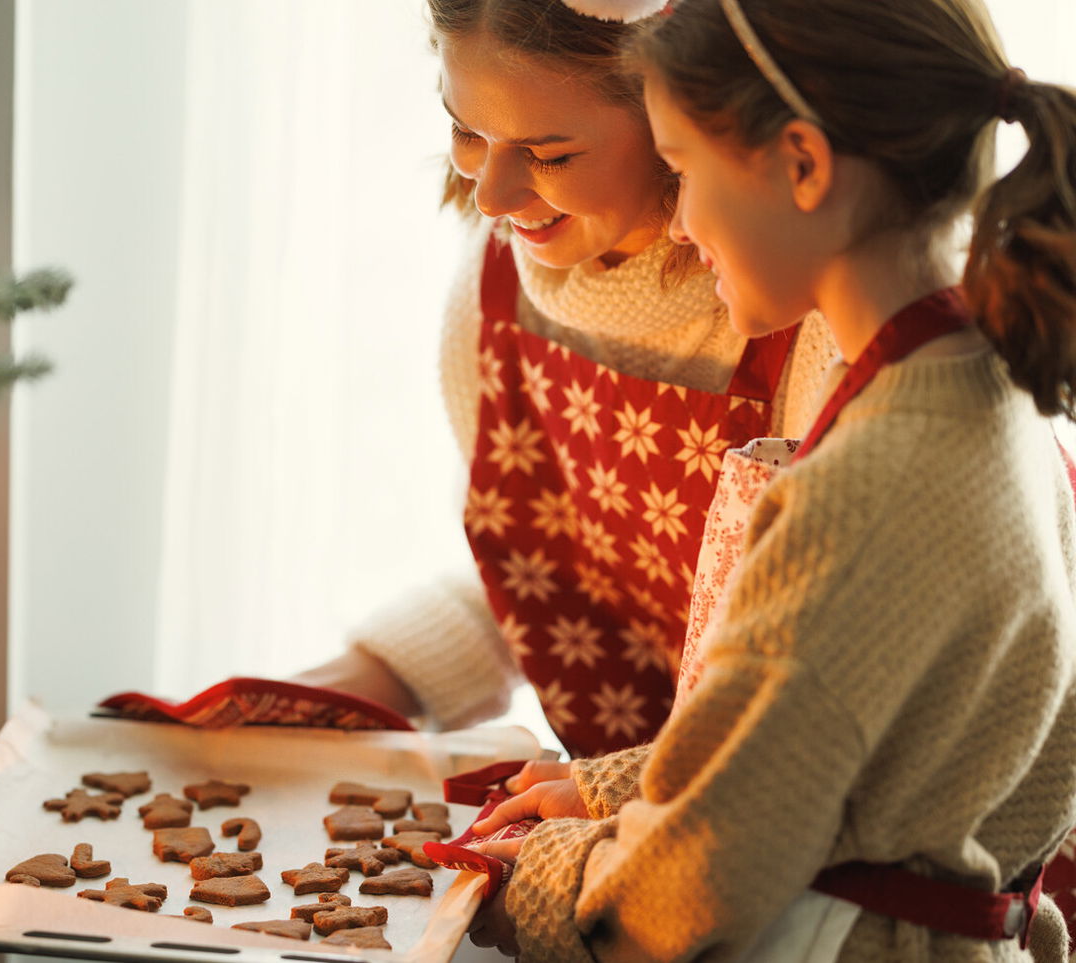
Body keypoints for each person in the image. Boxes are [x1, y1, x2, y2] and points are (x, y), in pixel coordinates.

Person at [462, 0, 1076, 958]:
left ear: (802, 165)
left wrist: (530, 879)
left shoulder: (865, 487)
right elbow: (846, 739)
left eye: (686, 170)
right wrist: (620, 787)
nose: (683, 217)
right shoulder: (985, 386)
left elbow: (692, 891)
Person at [292, 0, 840, 761]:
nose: (492, 196)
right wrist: (352, 682)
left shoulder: (807, 318)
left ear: (681, 122)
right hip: (642, 808)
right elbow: (547, 580)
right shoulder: (494, 284)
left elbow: (837, 679)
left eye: (549, 154)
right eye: (465, 132)